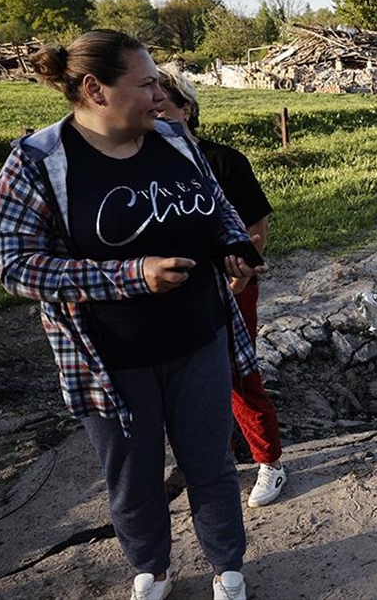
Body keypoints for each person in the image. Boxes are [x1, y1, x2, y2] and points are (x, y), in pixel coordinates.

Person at [0, 29, 264, 600]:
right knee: (133, 479)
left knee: (211, 467)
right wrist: (130, 276)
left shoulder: (174, 139)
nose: (159, 97)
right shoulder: (39, 161)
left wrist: (235, 247)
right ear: (95, 90)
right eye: (145, 85)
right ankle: (153, 570)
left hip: (201, 339)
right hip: (109, 361)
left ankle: (228, 570)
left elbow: (217, 209)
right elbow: (14, 266)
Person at [156, 64, 286, 509]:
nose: (154, 119)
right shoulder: (145, 168)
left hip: (229, 288)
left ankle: (269, 459)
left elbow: (255, 231)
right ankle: (217, 458)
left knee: (237, 374)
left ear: (187, 109)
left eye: (163, 108)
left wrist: (235, 280)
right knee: (186, 384)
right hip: (171, 294)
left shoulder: (224, 161)